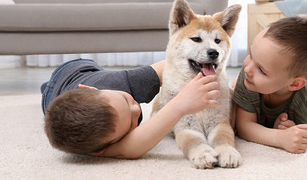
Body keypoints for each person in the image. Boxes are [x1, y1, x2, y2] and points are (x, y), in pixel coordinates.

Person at [42, 58, 220, 158]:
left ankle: (47, 85)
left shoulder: (117, 84)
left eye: (125, 100)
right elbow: (131, 148)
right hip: (49, 100)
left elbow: (170, 66)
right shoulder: (90, 142)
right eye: (130, 125)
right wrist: (180, 105)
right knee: (48, 98)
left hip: (75, 68)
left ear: (92, 90)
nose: (137, 110)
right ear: (99, 150)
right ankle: (45, 88)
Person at [231, 15, 307, 154]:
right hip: (260, 92)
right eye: (251, 55)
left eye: (261, 70)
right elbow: (243, 126)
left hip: (303, 109)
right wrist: (280, 137)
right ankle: (236, 85)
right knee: (234, 95)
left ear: (294, 84)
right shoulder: (249, 77)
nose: (247, 68)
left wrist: (294, 130)